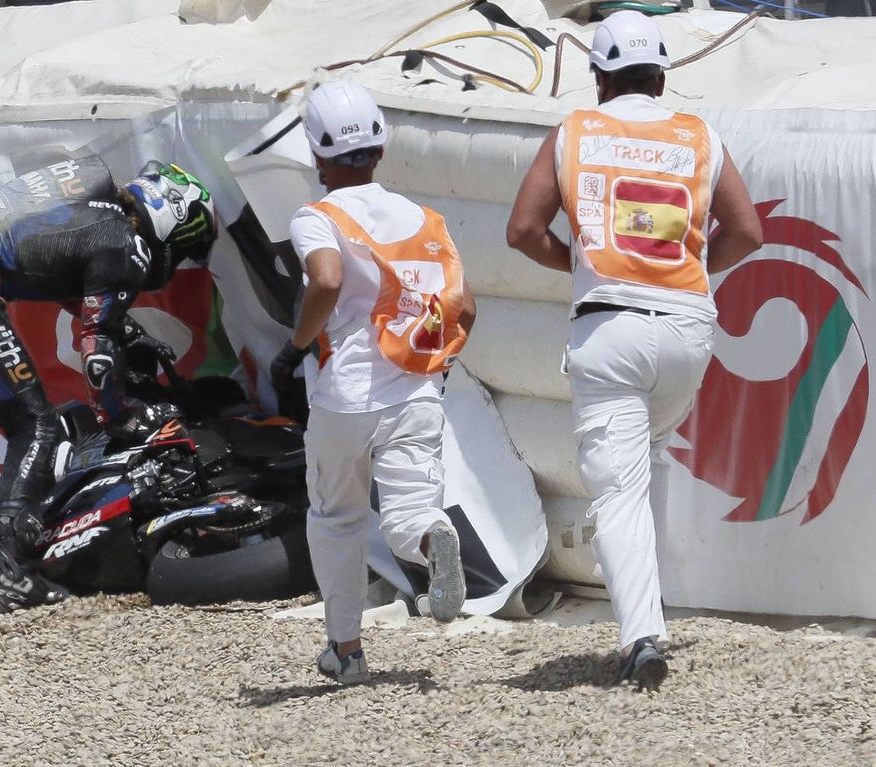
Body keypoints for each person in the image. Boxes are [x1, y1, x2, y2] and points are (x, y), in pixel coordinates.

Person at [505, 10, 763, 691]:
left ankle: (640, 636)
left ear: (600, 78)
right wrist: (694, 269)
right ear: (662, 76)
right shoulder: (698, 134)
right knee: (647, 462)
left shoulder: (575, 131)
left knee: (618, 487)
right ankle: (652, 609)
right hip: (687, 328)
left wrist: (577, 262)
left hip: (610, 327)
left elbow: (523, 229)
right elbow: (747, 230)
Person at [0, 156, 217, 614]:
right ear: (170, 217)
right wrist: (119, 414)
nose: (178, 257)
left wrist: (128, 334)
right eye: (185, 245)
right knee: (37, 427)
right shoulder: (124, 241)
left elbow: (62, 276)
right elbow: (97, 352)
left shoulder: (94, 209)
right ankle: (13, 577)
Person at [271, 79, 477, 685]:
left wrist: (296, 346)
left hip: (346, 393)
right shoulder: (428, 220)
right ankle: (433, 536)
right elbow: (465, 309)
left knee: (337, 518)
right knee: (410, 511)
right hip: (417, 388)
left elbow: (327, 280)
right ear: (381, 148)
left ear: (317, 153)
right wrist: (438, 362)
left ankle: (347, 652)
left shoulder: (317, 217)